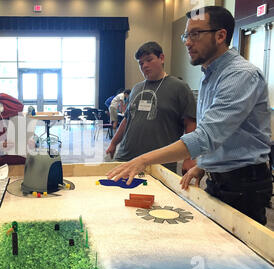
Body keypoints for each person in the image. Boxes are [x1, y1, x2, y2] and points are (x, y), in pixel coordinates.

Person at [107, 6, 272, 225]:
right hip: (219, 179)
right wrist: (204, 166)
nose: (187, 42)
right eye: (186, 35)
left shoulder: (239, 75)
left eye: (195, 34)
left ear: (221, 35)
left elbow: (205, 135)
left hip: (243, 184)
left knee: (238, 255)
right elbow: (226, 135)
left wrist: (144, 159)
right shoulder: (210, 75)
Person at [106, 41, 197, 173]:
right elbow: (127, 120)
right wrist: (114, 143)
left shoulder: (179, 87)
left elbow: (190, 124)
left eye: (149, 60)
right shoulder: (137, 88)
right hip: (126, 156)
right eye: (141, 63)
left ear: (161, 58)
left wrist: (190, 157)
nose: (145, 66)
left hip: (159, 161)